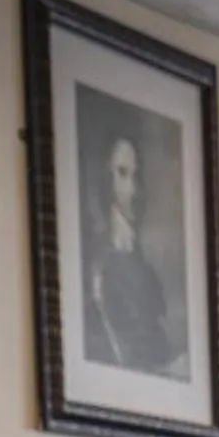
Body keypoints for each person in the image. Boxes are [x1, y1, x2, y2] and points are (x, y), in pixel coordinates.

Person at [84, 132, 185, 378]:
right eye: (122, 174)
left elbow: (160, 345)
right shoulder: (98, 268)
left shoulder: (146, 271)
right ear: (105, 179)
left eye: (136, 175)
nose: (133, 189)